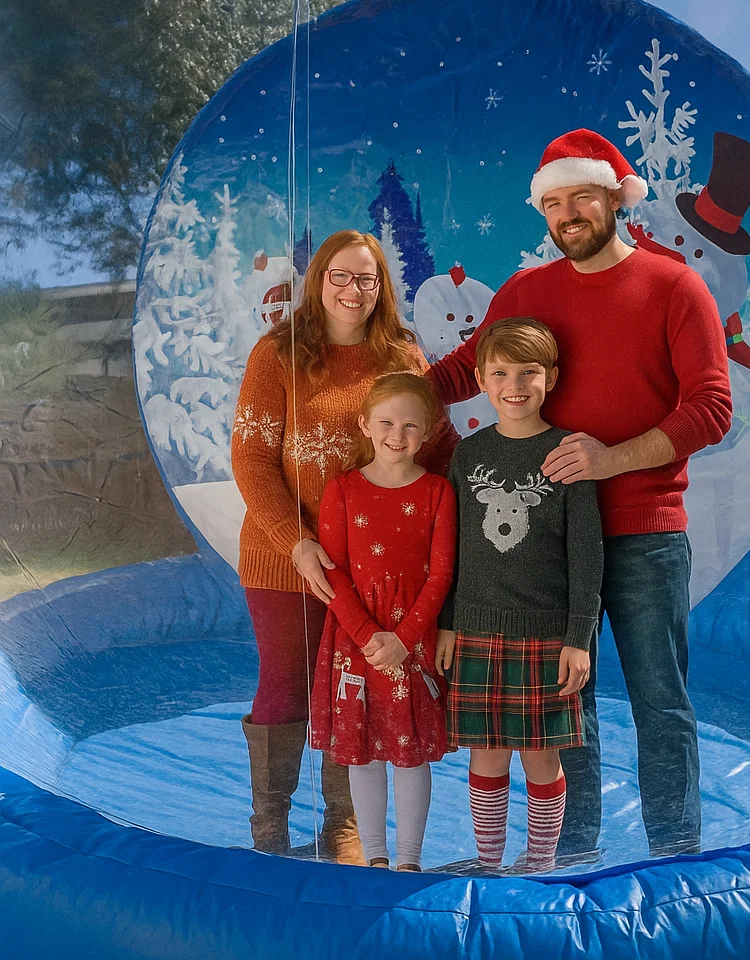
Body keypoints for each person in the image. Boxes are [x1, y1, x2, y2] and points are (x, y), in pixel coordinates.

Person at [428, 129, 732, 860]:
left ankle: (675, 854)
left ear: (614, 199)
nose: (568, 214)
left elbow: (711, 409)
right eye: (554, 202)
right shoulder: (527, 292)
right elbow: (463, 372)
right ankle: (572, 852)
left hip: (644, 530)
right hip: (547, 537)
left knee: (660, 698)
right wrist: (376, 399)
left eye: (582, 198)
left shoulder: (674, 286)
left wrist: (610, 460)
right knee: (565, 705)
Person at [231, 229, 459, 860]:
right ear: (318, 280)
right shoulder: (278, 353)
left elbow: (438, 453)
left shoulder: (402, 358)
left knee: (353, 686)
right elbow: (250, 459)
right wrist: (295, 542)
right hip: (285, 558)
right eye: (339, 275)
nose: (352, 290)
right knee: (284, 682)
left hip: (377, 569)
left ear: (380, 287)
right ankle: (270, 833)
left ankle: (345, 827)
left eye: (366, 278)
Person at [436, 318, 603, 874]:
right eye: (501, 372)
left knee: (539, 755)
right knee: (485, 752)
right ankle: (488, 863)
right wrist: (447, 624)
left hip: (546, 633)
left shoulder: (567, 456)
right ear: (482, 379)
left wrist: (579, 639)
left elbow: (586, 556)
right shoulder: (467, 456)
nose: (515, 384)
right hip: (477, 631)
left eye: (528, 372)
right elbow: (452, 551)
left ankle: (538, 863)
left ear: (550, 378)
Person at [308, 373, 456, 872]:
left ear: (429, 431)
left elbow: (442, 575)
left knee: (409, 749)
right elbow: (335, 576)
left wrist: (406, 638)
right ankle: (374, 856)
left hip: (411, 641)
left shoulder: (438, 492)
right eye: (388, 422)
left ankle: (409, 859)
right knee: (364, 749)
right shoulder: (342, 490)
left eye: (411, 425)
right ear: (365, 425)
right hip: (356, 643)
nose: (398, 434)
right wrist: (371, 636)